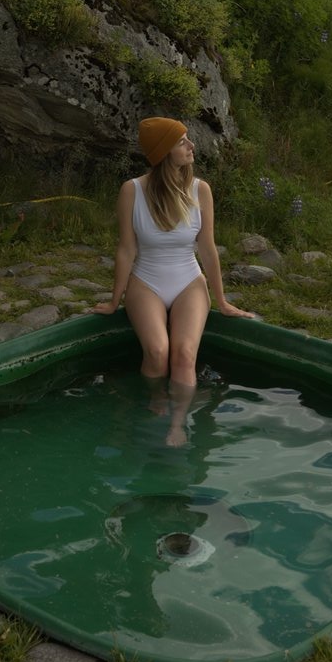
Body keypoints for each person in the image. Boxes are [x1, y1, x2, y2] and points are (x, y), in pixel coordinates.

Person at [94, 117, 255, 439]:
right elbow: (126, 250)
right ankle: (155, 406)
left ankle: (177, 424)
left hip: (188, 282)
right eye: (182, 141)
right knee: (157, 351)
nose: (192, 146)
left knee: (183, 354)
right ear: (164, 151)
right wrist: (114, 301)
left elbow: (207, 249)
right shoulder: (132, 191)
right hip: (146, 281)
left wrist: (222, 301)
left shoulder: (200, 190)